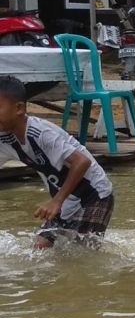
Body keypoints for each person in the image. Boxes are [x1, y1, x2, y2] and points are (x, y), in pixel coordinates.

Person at [0, 75, 115, 250]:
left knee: (82, 255)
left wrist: (56, 202)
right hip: (66, 200)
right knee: (39, 249)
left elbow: (82, 162)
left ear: (19, 108)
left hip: (95, 195)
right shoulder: (4, 139)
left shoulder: (41, 133)